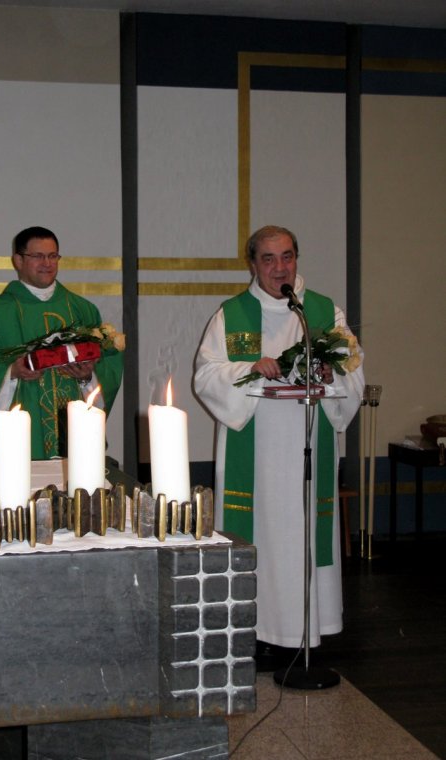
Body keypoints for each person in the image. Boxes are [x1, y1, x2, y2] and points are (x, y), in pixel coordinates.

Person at [193, 225, 364, 657]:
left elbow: (353, 373)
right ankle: (256, 634)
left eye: (287, 256)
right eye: (268, 259)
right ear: (252, 264)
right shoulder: (231, 314)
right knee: (263, 538)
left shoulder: (322, 312)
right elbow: (206, 375)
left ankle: (305, 633)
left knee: (303, 535)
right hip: (257, 457)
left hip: (309, 449)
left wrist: (331, 374)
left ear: (296, 259)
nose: (279, 267)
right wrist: (250, 369)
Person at [0, 226, 124, 461]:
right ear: (18, 260)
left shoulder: (82, 309)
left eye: (53, 256)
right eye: (38, 256)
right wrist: (11, 372)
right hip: (20, 434)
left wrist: (87, 376)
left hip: (72, 431)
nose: (47, 263)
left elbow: (109, 364)